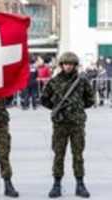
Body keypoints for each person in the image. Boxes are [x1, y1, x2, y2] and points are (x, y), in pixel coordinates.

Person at [40, 52, 95, 198]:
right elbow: (44, 99)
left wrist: (78, 108)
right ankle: (56, 184)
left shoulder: (82, 81)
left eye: (70, 64)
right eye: (65, 64)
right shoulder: (54, 81)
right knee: (59, 155)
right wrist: (56, 109)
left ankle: (80, 184)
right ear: (61, 65)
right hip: (60, 125)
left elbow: (90, 99)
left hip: (77, 124)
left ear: (75, 65)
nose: (68, 66)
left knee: (78, 155)